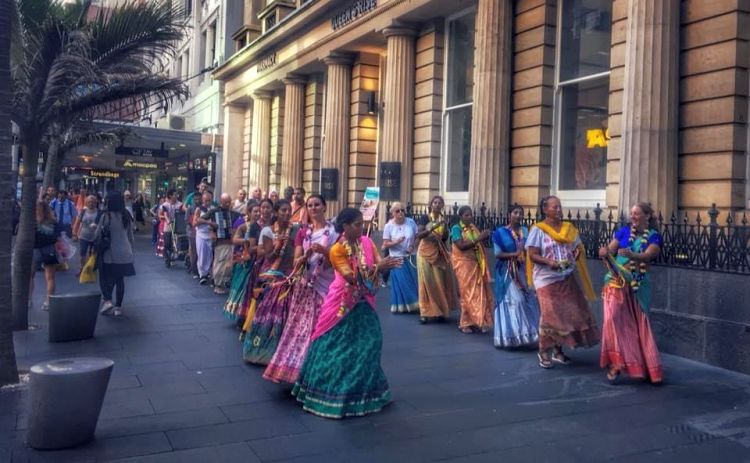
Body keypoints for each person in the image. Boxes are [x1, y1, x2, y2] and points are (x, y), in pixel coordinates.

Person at [292, 208, 401, 419]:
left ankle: (366, 392)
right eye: (357, 224)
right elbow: (352, 278)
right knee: (337, 347)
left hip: (363, 302)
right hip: (341, 303)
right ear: (345, 227)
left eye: (362, 224)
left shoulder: (367, 243)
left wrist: (384, 267)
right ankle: (331, 394)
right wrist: (379, 266)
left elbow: (375, 271)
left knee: (371, 343)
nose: (361, 227)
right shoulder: (336, 250)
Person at [264, 194, 338, 384]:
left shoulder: (335, 233)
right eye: (310, 205)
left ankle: (320, 371)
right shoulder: (303, 233)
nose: (313, 208)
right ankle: (296, 371)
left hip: (325, 287)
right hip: (305, 287)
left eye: (317, 205)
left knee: (321, 329)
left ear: (324, 207)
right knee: (300, 329)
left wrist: (325, 252)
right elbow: (296, 261)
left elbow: (337, 262)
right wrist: (305, 256)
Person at [526, 195, 600, 369]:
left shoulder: (568, 228)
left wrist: (575, 255)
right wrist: (549, 262)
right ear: (545, 209)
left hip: (566, 276)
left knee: (567, 314)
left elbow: (577, 248)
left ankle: (558, 351)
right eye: (554, 207)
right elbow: (532, 254)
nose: (558, 210)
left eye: (559, 207)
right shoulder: (538, 229)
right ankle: (544, 350)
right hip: (545, 280)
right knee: (550, 315)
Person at [598, 202, 663, 384]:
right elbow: (610, 249)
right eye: (631, 213)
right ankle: (617, 362)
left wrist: (633, 255)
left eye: (637, 213)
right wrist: (604, 252)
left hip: (638, 283)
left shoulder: (653, 236)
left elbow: (650, 254)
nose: (632, 216)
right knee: (612, 319)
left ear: (647, 216)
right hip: (616, 280)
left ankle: (644, 365)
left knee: (638, 324)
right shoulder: (624, 231)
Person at [243, 199, 301, 365]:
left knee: (289, 314)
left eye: (288, 210)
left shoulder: (296, 229)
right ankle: (266, 352)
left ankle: (287, 353)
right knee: (270, 314)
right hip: (273, 277)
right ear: (276, 212)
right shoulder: (268, 231)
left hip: (290, 276)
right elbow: (267, 256)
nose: (286, 213)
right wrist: (277, 245)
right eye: (283, 210)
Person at [492, 205, 540, 348]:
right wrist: (514, 254)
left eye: (521, 213)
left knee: (526, 301)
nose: (519, 215)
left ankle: (525, 336)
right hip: (506, 271)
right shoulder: (500, 232)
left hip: (521, 269)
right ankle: (509, 337)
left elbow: (529, 249)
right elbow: (497, 254)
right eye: (515, 212)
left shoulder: (525, 231)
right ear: (509, 215)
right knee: (514, 301)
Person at [451, 206, 494, 334]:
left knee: (479, 293)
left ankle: (476, 321)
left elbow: (478, 245)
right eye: (466, 215)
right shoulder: (456, 228)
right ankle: (464, 323)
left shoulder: (473, 227)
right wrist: (479, 238)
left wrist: (484, 237)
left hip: (475, 263)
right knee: (466, 294)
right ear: (461, 217)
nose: (469, 217)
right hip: (463, 264)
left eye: (470, 215)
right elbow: (461, 246)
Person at [415, 196, 458, 323]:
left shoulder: (443, 219)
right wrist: (434, 227)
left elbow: (444, 238)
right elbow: (420, 235)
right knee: (426, 282)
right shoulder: (425, 218)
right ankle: (425, 312)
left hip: (438, 253)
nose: (437, 205)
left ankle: (439, 311)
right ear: (431, 204)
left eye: (440, 203)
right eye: (435, 202)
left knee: (439, 282)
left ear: (442, 205)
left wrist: (445, 230)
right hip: (425, 253)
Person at [96, 191, 136, 318]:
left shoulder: (105, 216)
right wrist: (131, 252)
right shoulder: (127, 215)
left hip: (110, 253)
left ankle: (108, 300)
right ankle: (118, 307)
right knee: (120, 280)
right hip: (125, 253)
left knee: (105, 277)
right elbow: (131, 236)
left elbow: (97, 235)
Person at [224, 202, 261, 321]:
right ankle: (238, 313)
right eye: (255, 211)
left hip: (257, 260)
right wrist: (245, 242)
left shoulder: (261, 226)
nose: (258, 214)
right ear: (249, 213)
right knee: (242, 286)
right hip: (244, 261)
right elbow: (234, 239)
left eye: (259, 211)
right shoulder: (245, 226)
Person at [382, 201, 419, 314]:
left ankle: (408, 306)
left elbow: (417, 237)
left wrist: (412, 246)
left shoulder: (411, 222)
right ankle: (414, 305)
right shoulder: (389, 226)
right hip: (396, 258)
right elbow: (385, 245)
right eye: (397, 211)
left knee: (412, 282)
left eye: (402, 210)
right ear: (393, 213)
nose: (401, 213)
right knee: (402, 282)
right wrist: (396, 242)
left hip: (410, 256)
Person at [205, 193, 240, 294]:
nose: (227, 204)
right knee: (219, 264)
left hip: (230, 242)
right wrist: (210, 225)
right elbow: (199, 219)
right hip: (220, 242)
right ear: (221, 202)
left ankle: (222, 283)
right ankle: (217, 285)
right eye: (225, 202)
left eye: (229, 202)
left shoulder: (233, 213)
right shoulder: (214, 211)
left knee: (228, 265)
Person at [31, 201, 60, 311]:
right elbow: (57, 236)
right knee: (50, 277)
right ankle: (48, 301)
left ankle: (29, 300)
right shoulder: (52, 221)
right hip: (49, 249)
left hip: (35, 249)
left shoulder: (30, 222)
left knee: (30, 276)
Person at [75, 195, 101, 273]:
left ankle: (93, 268)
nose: (91, 203)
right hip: (84, 236)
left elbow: (103, 224)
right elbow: (77, 222)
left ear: (96, 203)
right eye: (89, 202)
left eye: (93, 202)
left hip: (96, 236)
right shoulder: (83, 212)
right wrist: (75, 233)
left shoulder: (99, 212)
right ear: (86, 203)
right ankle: (82, 269)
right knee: (82, 253)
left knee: (95, 253)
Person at [193, 192, 215, 284]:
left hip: (210, 234)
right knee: (202, 254)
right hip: (201, 234)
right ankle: (202, 274)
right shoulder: (198, 209)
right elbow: (194, 223)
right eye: (206, 200)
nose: (207, 202)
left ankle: (208, 272)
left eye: (209, 200)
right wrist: (207, 222)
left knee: (209, 255)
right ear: (202, 200)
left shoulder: (213, 209)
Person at [157, 190, 182, 258]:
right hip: (168, 223)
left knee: (177, 240)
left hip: (177, 224)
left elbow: (182, 211)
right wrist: (168, 220)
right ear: (170, 196)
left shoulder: (179, 204)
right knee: (167, 242)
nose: (176, 196)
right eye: (175, 194)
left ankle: (176, 253)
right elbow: (165, 214)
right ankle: (166, 253)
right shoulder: (165, 205)